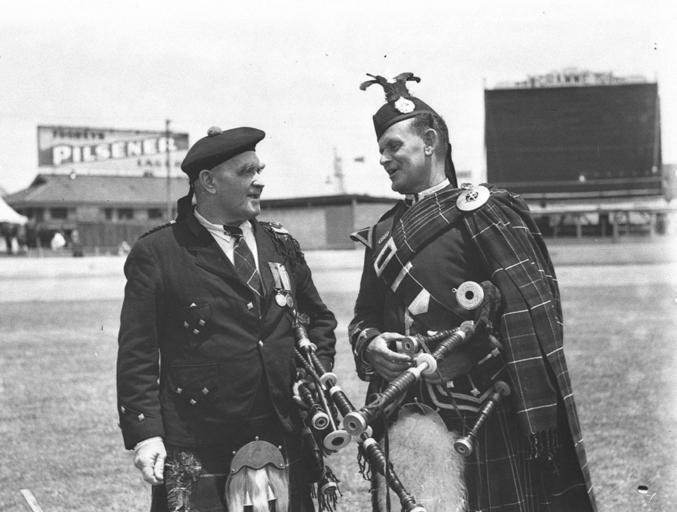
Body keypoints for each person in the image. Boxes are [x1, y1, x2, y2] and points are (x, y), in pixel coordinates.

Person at [348, 73, 596, 511]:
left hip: (484, 411)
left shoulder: (483, 211)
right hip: (406, 413)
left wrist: (478, 354)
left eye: (393, 147)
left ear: (429, 142)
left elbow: (531, 316)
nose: (383, 159)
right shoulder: (382, 233)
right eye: (380, 150)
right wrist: (370, 346)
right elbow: (364, 317)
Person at [117, 126, 337, 512]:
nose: (259, 181)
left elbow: (318, 321)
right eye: (246, 172)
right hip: (200, 441)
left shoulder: (281, 244)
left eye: (259, 170)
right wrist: (146, 434)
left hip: (282, 429)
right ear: (208, 182)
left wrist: (311, 383)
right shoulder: (159, 252)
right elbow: (137, 353)